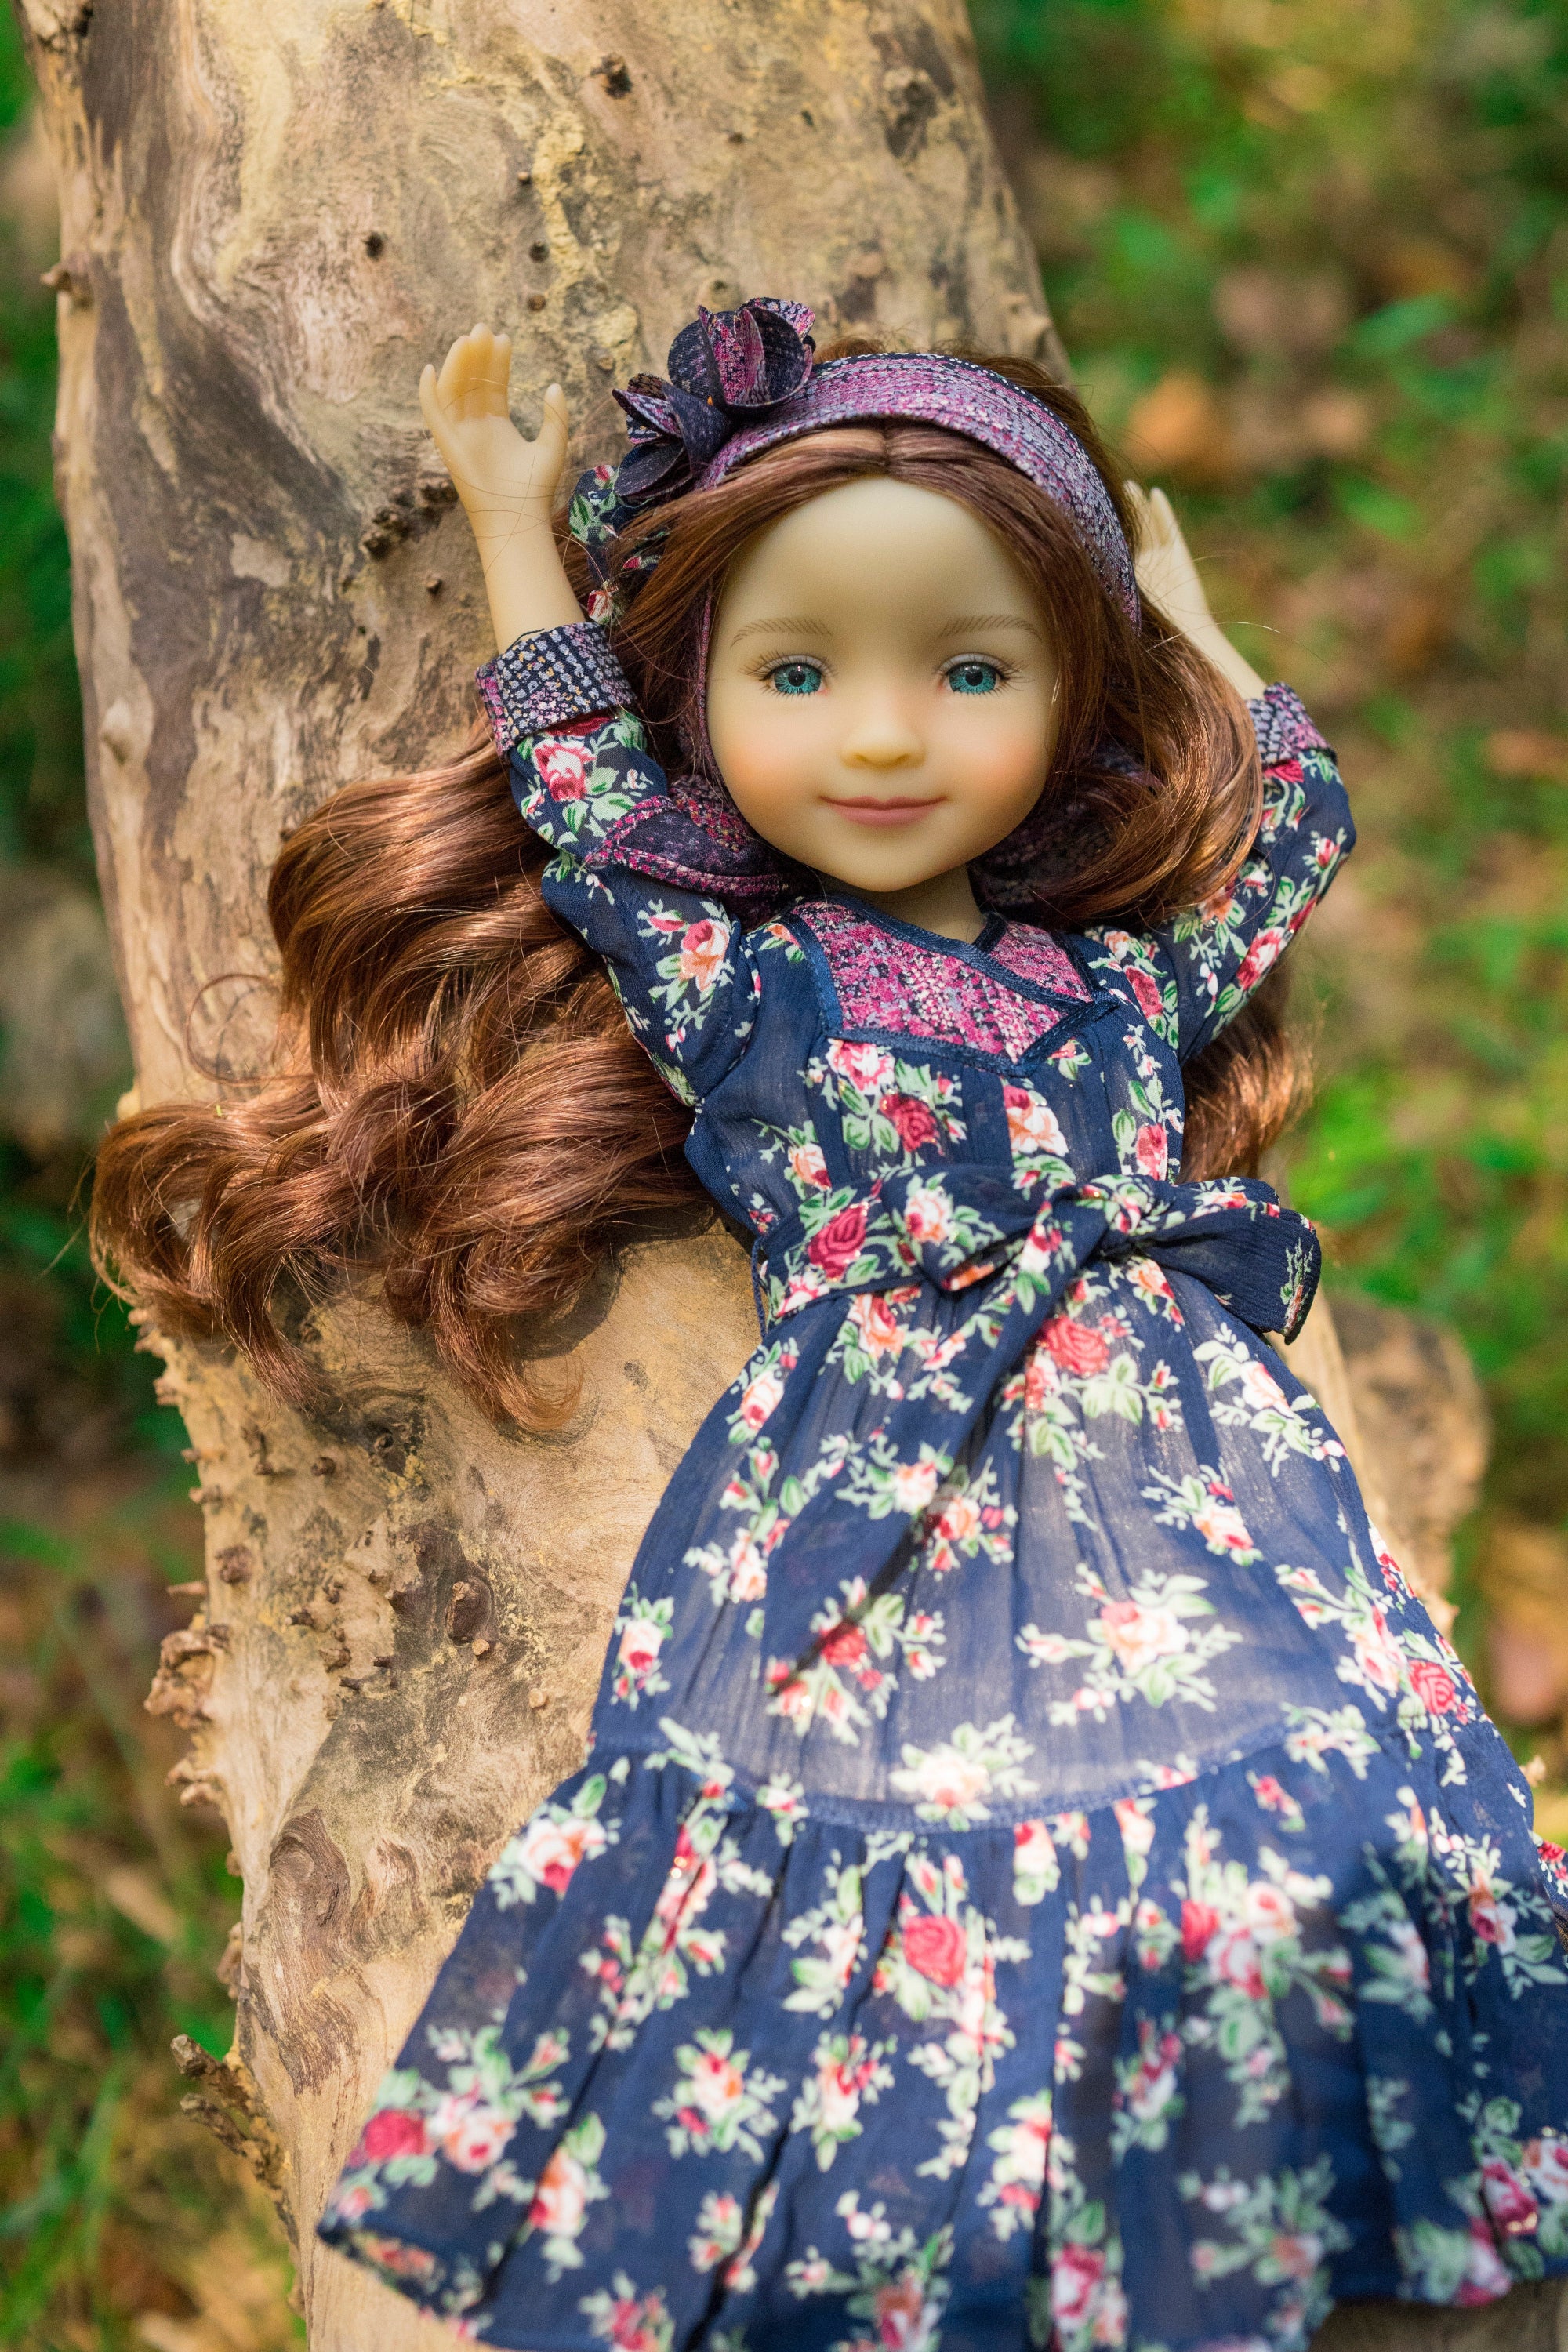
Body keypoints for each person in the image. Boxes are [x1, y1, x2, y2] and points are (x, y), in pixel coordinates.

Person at [96, 300, 1568, 2350]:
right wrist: (512, 517)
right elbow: (591, 798)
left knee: (1279, 1809)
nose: (884, 738)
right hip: (882, 1477)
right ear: (710, 691)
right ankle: (933, 2242)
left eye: (972, 673)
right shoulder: (747, 978)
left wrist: (1219, 656)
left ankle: (1244, 2190)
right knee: (887, 1834)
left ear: (1071, 696)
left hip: (1182, 1465)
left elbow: (1278, 869)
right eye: (798, 675)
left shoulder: (1107, 988)